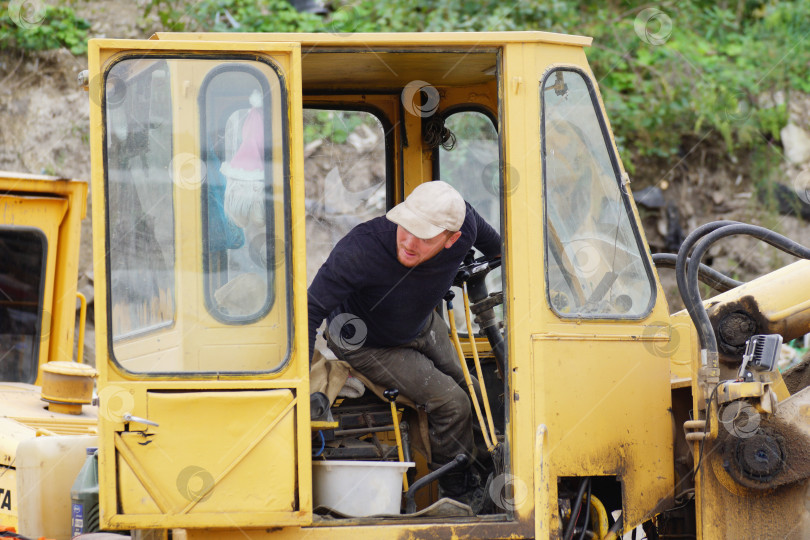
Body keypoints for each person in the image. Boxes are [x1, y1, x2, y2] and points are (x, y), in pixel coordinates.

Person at [307, 180, 501, 508]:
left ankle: (484, 467)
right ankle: (457, 492)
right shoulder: (361, 249)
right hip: (364, 341)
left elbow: (500, 250)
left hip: (420, 321)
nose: (409, 242)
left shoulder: (464, 223)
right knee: (453, 403)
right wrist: (298, 377)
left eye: (424, 236)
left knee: (473, 388)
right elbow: (310, 309)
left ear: (452, 239)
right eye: (406, 227)